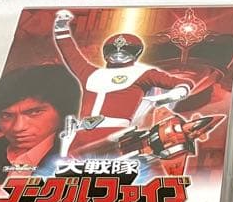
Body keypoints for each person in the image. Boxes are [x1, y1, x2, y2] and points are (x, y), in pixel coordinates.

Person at [52, 9, 198, 154]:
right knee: (67, 167)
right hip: (80, 135)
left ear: (136, 53)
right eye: (113, 50)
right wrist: (61, 29)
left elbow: (182, 82)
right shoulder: (90, 73)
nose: (118, 53)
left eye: (125, 51)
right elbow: (71, 54)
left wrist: (174, 94)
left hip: (115, 135)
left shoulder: (143, 73)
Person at [0, 64, 79, 187]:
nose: (18, 127)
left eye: (34, 112)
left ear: (63, 112)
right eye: (6, 115)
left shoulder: (76, 154)